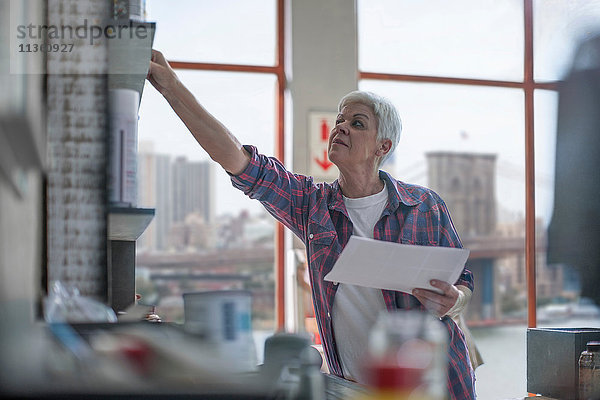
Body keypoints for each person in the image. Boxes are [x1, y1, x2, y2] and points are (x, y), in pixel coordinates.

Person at [147, 49, 476, 399]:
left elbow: (463, 284)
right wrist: (171, 86)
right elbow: (236, 159)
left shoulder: (424, 206)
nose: (342, 127)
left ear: (384, 146)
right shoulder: (311, 204)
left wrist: (454, 300)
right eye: (340, 120)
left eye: (357, 123)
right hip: (353, 390)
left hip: (434, 385)